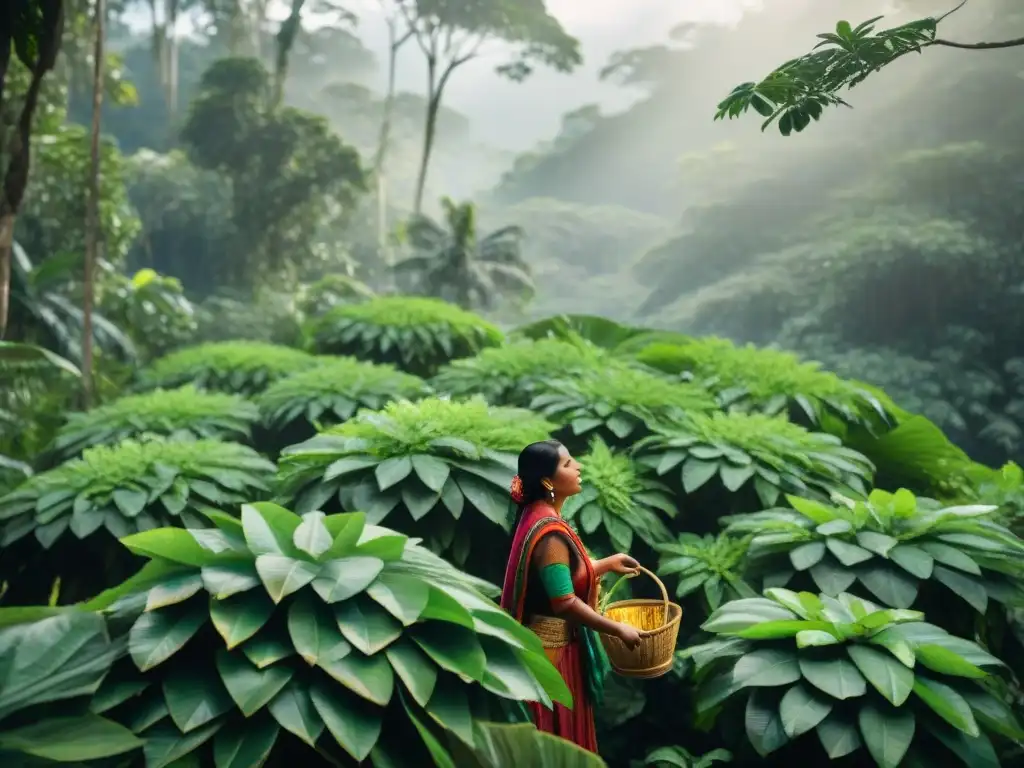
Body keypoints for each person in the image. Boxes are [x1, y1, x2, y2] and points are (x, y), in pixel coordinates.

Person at [500, 439, 643, 753]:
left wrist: (604, 564)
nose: (577, 467)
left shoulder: (539, 515)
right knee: (557, 742)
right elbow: (563, 601)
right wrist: (617, 628)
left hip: (551, 646)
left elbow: (556, 579)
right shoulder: (550, 534)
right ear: (548, 481)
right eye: (567, 464)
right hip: (553, 653)